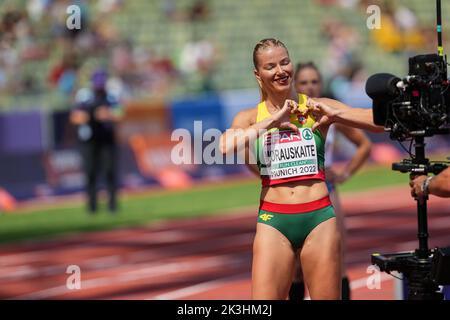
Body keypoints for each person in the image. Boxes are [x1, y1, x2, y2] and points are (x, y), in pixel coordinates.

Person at [219, 38, 381, 300]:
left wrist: (338, 115)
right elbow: (225, 146)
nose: (281, 70)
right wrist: (271, 121)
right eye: (270, 66)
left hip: (318, 219)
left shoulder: (316, 107)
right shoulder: (251, 117)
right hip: (274, 221)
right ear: (258, 74)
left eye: (285, 62)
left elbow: (379, 122)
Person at [288, 62, 372, 300]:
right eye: (304, 82)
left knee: (337, 261)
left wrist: (344, 174)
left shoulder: (329, 111)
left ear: (322, 84)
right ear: (295, 85)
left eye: (315, 81)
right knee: (296, 269)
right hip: (293, 192)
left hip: (327, 188)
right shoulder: (285, 113)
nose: (310, 87)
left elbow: (364, 144)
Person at [70, 69, 123, 214]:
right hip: (89, 140)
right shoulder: (85, 97)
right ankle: (92, 207)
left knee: (110, 171)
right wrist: (92, 115)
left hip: (107, 139)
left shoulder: (111, 96)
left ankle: (112, 206)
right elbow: (75, 116)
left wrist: (108, 115)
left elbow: (119, 114)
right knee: (90, 172)